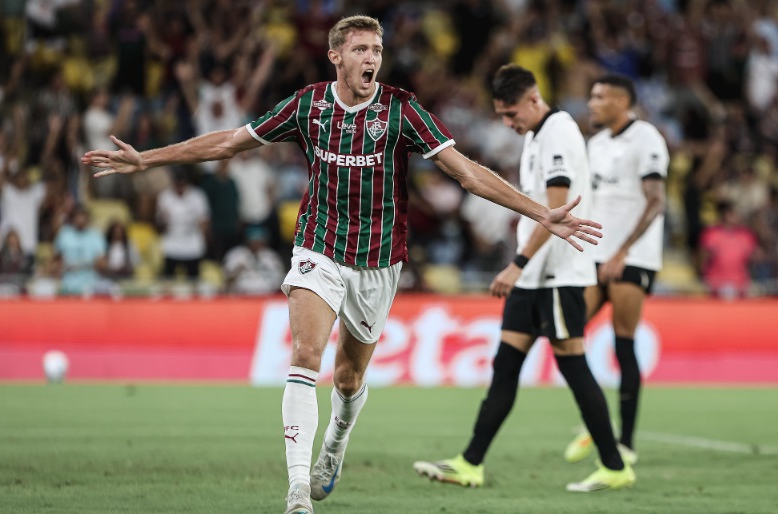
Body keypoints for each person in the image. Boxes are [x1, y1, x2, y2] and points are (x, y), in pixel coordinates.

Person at [81, 16, 602, 514]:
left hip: (377, 264)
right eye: (360, 49)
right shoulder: (308, 105)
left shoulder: (401, 110)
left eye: (376, 50)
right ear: (336, 57)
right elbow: (230, 142)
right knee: (306, 356)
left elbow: (466, 173)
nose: (371, 58)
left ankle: (336, 440)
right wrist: (147, 158)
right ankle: (298, 490)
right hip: (319, 248)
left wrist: (541, 214)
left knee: (349, 378)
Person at [413, 64, 634, 492]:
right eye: (502, 115)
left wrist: (517, 262)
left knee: (573, 364)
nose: (508, 124)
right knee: (505, 366)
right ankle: (470, 462)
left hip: (556, 275)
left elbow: (555, 213)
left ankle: (614, 465)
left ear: (534, 99)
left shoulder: (558, 133)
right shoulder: (536, 134)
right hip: (536, 279)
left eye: (512, 114)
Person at [563, 74, 669, 466]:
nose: (591, 103)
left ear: (622, 101)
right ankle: (597, 423)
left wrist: (623, 252)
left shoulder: (647, 138)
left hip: (632, 258)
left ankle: (625, 442)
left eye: (600, 97)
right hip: (594, 257)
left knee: (624, 343)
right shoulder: (597, 143)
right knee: (568, 334)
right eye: (591, 96)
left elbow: (656, 200)